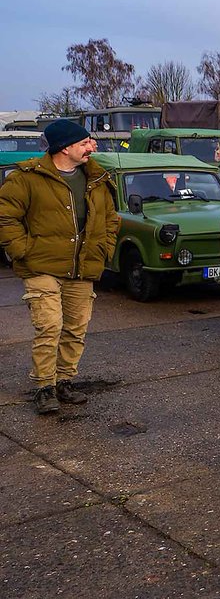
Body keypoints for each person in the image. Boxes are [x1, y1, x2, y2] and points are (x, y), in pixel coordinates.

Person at [0, 119, 119, 414]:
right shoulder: (26, 178)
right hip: (41, 267)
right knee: (49, 326)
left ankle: (65, 380)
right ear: (64, 148)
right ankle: (44, 386)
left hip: (82, 268)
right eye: (84, 142)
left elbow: (110, 220)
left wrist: (104, 250)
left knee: (76, 328)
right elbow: (6, 217)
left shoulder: (97, 178)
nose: (92, 146)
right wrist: (22, 251)